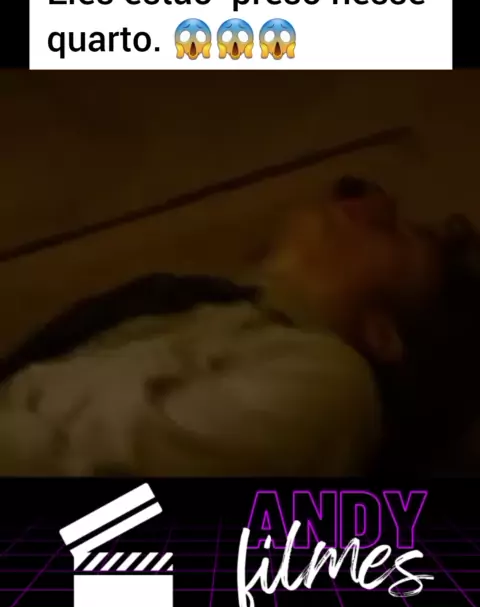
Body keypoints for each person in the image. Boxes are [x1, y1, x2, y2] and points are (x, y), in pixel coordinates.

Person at [0, 177, 448, 477]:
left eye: (396, 234)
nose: (372, 202)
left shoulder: (331, 384)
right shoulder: (198, 308)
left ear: (382, 334)